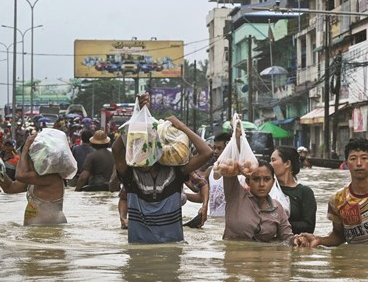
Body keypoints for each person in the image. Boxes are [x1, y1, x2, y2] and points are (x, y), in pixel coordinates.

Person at [112, 93, 212, 244]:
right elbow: (116, 150)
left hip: (172, 249)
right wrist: (138, 116)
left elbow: (207, 152)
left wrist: (182, 127)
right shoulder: (131, 175)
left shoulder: (176, 172)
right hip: (139, 250)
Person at [0, 132, 69, 226]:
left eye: (27, 159)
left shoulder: (51, 177)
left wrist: (26, 147)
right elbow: (9, 188)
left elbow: (20, 175)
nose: (25, 163)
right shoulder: (33, 179)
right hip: (35, 229)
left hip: (50, 229)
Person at [222, 159, 295, 243]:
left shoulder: (277, 208)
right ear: (247, 181)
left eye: (267, 179)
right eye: (256, 179)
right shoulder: (235, 195)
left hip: (264, 255)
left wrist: (298, 240)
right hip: (235, 254)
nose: (262, 184)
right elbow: (227, 164)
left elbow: (287, 238)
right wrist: (242, 168)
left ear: (273, 182)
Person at [271, 145, 316, 234]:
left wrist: (277, 223)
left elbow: (309, 227)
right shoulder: (266, 188)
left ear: (287, 164)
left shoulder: (304, 192)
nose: (270, 164)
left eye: (273, 160)